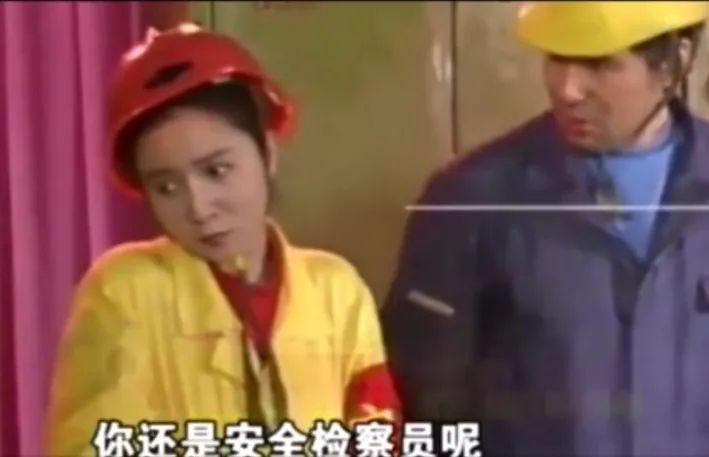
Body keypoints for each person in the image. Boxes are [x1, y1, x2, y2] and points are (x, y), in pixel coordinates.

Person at [44, 23, 399, 456]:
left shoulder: (336, 290)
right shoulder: (123, 292)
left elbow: (376, 432)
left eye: (217, 171)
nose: (198, 208)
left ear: (267, 152)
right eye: (166, 187)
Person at [383, 2, 709, 456]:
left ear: (675, 61)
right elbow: (423, 401)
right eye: (557, 57)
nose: (568, 88)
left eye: (599, 63)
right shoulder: (471, 199)